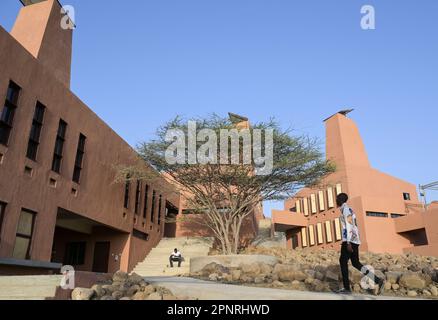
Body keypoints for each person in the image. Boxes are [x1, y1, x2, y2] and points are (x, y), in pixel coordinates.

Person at [336, 193, 385, 295]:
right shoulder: (349, 210)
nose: (336, 201)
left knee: (342, 261)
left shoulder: (346, 210)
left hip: (350, 241)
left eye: (337, 199)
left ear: (340, 200)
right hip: (355, 240)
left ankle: (346, 288)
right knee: (355, 263)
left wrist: (348, 242)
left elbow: (349, 226)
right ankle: (377, 280)